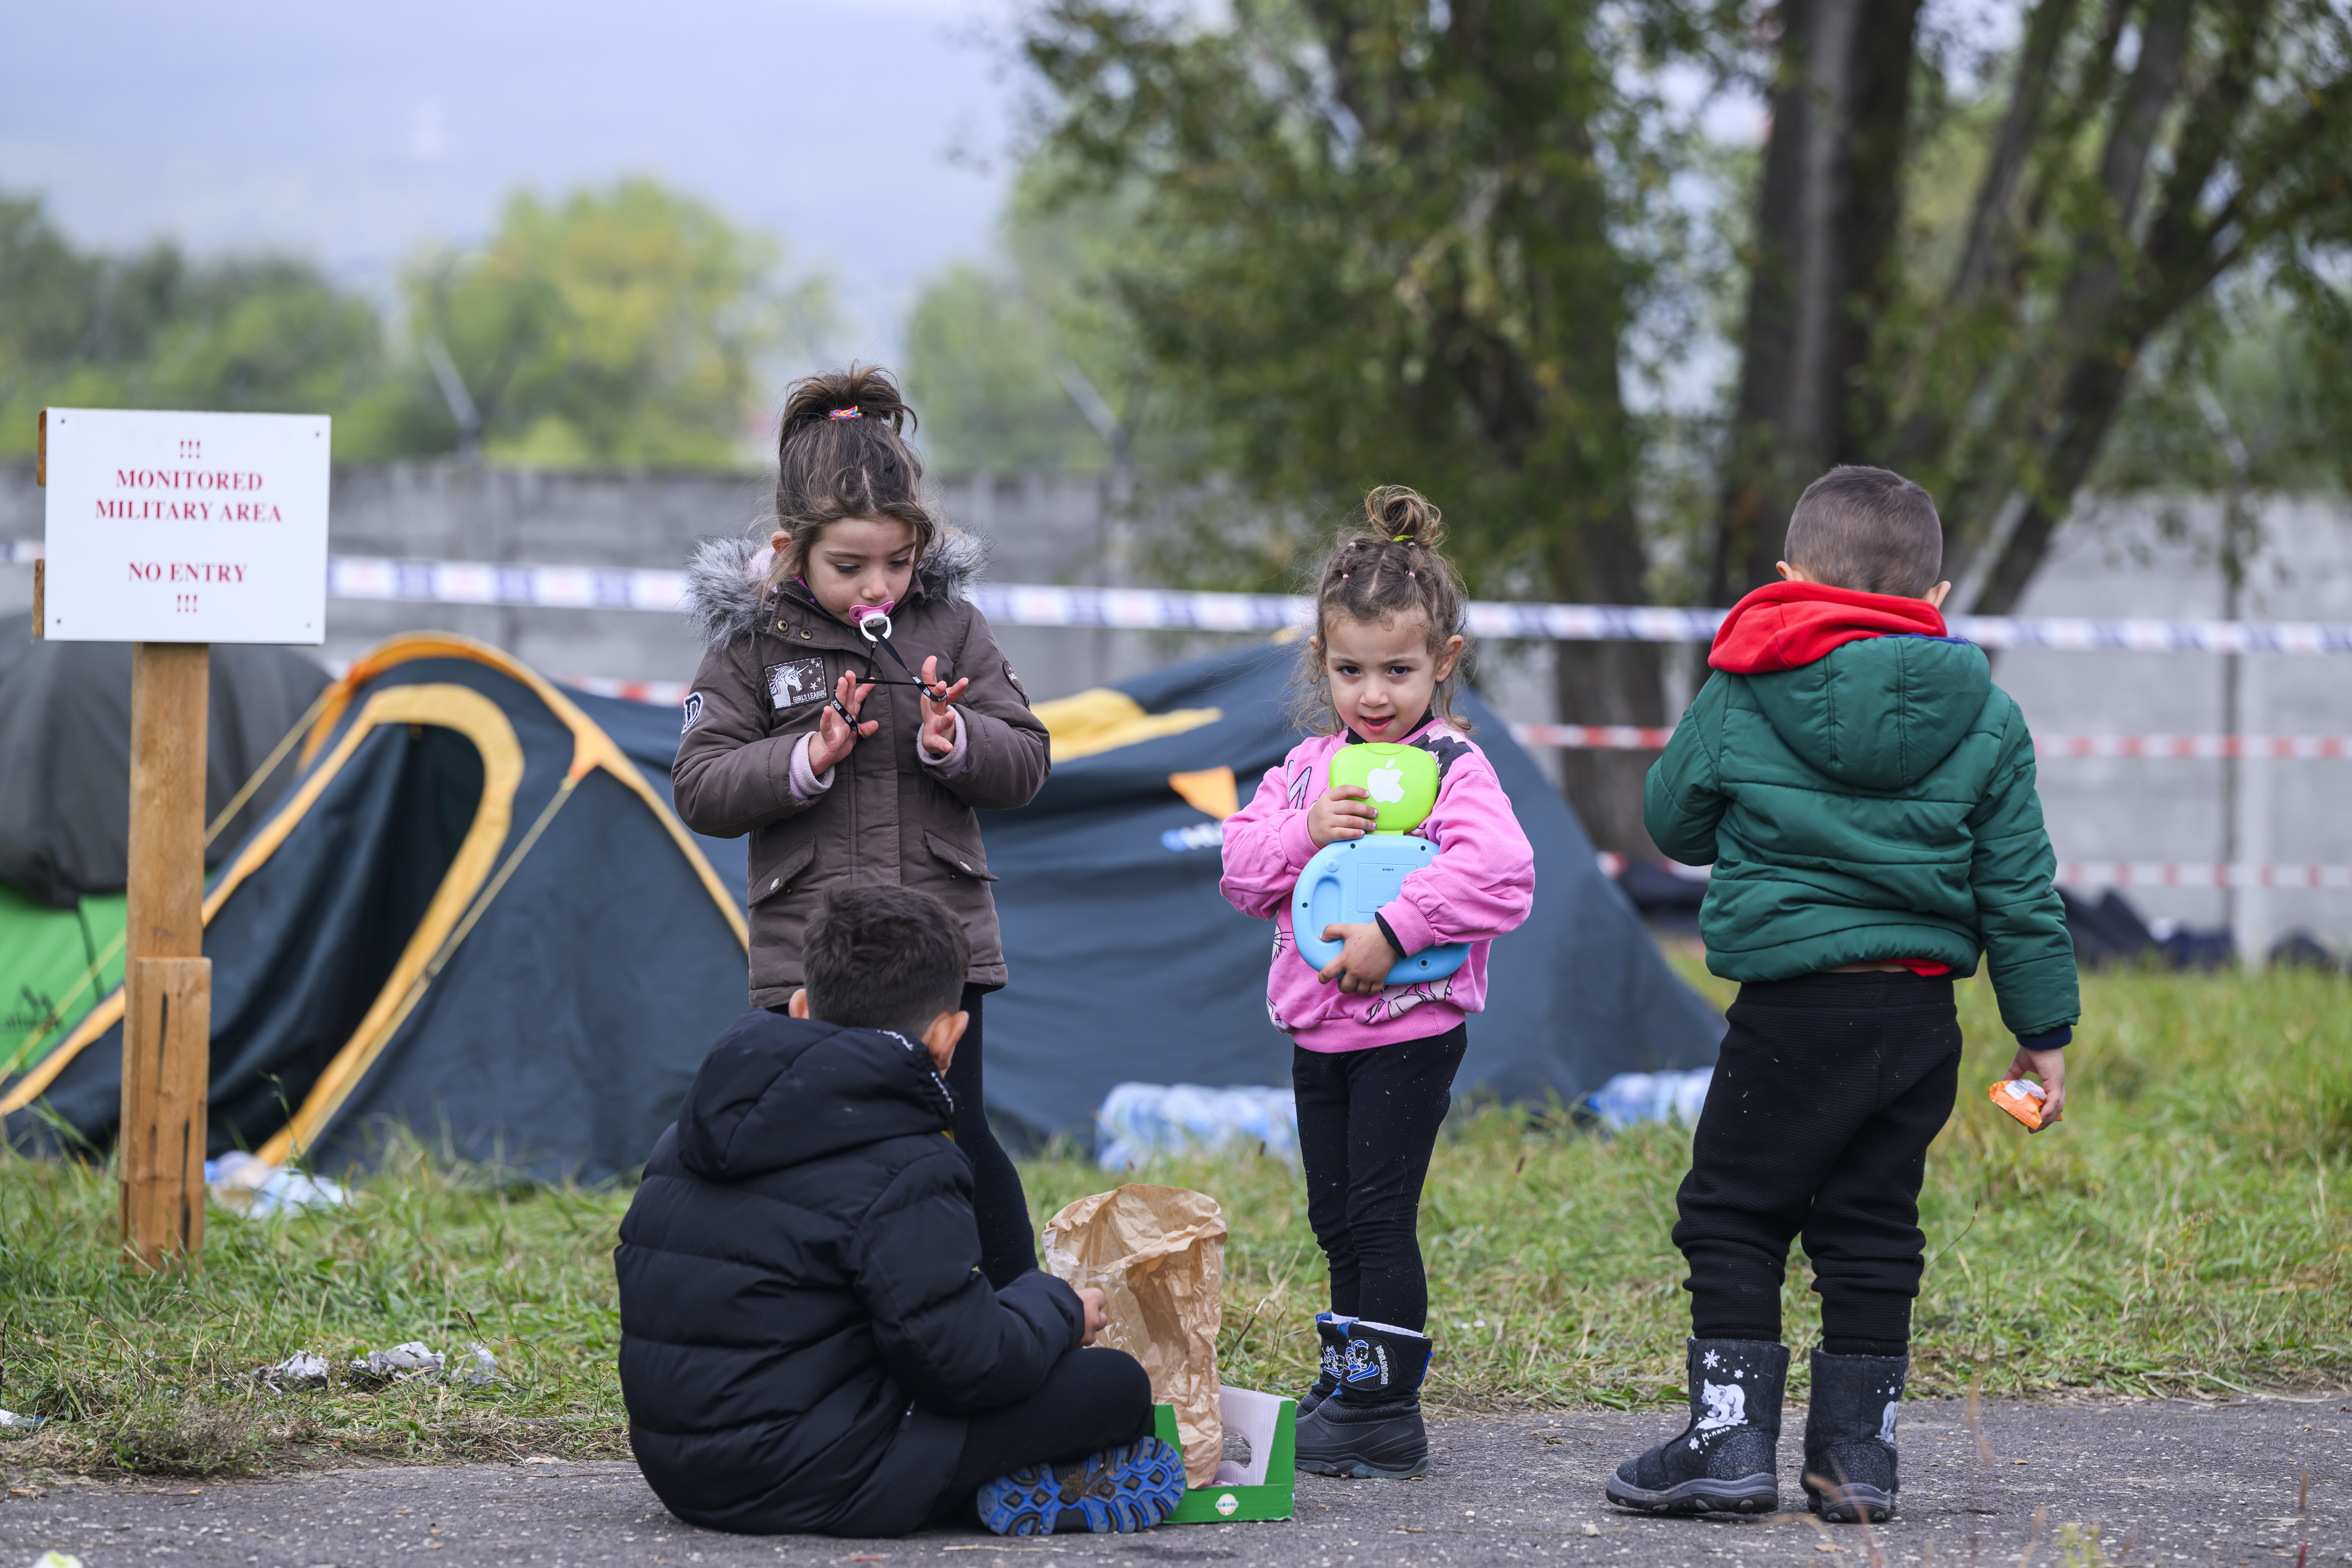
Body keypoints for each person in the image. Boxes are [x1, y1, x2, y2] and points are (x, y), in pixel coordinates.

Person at [1606, 466, 2080, 1524]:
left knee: (1734, 1213)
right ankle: (1855, 1461)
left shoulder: (1741, 687)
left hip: (1788, 1007)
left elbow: (1674, 829)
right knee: (1873, 1226)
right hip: (1915, 1022)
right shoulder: (1988, 716)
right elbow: (2021, 890)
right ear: (1938, 597)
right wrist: (2042, 1031)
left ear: (1788, 580)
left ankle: (1728, 1446)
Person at [616, 885, 1186, 1538]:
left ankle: (1010, 1485)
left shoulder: (689, 1131)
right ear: (949, 1037)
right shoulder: (908, 1160)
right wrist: (1057, 1308)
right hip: (814, 1481)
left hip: (683, 1473)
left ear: (801, 1007)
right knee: (1113, 1385)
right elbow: (963, 1367)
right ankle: (1005, 1488)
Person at [674, 364, 1050, 1290]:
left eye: (898, 561)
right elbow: (702, 785)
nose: (877, 583)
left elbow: (1029, 757)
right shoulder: (750, 645)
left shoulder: (953, 628)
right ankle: (844, 1330)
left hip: (941, 949)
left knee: (952, 1134)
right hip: (811, 958)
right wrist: (805, 759)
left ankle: (1014, 1312)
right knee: (821, 1151)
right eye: (849, 565)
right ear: (790, 550)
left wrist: (956, 739)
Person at [1218, 486, 1536, 1480]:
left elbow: (1502, 875)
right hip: (1317, 1036)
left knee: (1378, 1217)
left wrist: (1396, 932)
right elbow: (1239, 872)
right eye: (1351, 670)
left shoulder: (1456, 768)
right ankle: (1350, 1375)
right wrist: (1303, 831)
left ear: (1442, 664)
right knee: (1333, 1216)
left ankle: (1384, 1411)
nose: (1373, 694)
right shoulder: (1311, 770)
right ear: (1323, 662)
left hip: (1409, 1032)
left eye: (1398, 671)